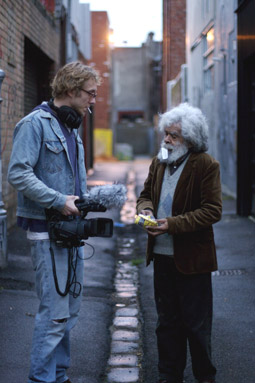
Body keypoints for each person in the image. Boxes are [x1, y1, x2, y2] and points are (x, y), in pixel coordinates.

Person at [8, 61, 101, 383]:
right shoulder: (34, 124)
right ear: (72, 91)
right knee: (54, 312)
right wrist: (59, 200)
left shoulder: (72, 128)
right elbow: (18, 172)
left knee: (69, 310)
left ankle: (59, 376)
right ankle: (42, 379)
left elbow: (75, 181)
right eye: (90, 93)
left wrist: (87, 200)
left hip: (69, 232)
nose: (93, 100)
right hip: (44, 232)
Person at [136, 103, 222, 383]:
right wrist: (146, 210)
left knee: (196, 326)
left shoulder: (206, 165)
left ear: (191, 139)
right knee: (167, 323)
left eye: (174, 136)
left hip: (193, 260)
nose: (167, 140)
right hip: (162, 257)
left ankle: (204, 377)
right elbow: (145, 194)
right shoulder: (160, 160)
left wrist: (172, 224)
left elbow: (212, 210)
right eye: (166, 134)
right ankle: (168, 376)